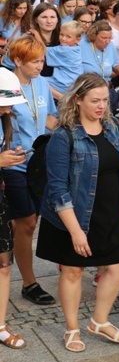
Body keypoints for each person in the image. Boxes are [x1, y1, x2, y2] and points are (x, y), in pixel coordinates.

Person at [36, 73, 119, 352]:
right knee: (73, 271)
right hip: (73, 217)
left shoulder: (112, 128)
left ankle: (99, 321)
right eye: (95, 101)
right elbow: (57, 189)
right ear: (77, 100)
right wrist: (76, 231)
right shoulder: (63, 136)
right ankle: (72, 329)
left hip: (109, 212)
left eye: (105, 100)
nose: (102, 106)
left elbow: (113, 167)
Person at [3, 35, 57, 306]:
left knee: (28, 222)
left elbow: (47, 117)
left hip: (39, 164)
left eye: (42, 60)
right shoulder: (6, 86)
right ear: (17, 60)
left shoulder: (43, 83)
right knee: (27, 223)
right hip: (13, 164)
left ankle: (10, 250)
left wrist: (68, 129)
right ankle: (29, 283)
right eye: (35, 61)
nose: (40, 65)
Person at [0, 68, 29, 350]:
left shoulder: (4, 119)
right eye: (4, 102)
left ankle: (0, 324)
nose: (7, 108)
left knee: (4, 264)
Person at [45, 20, 84, 100]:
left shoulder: (66, 50)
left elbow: (41, 49)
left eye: (68, 36)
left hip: (63, 84)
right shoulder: (77, 48)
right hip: (72, 83)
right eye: (61, 34)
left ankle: (63, 99)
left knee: (35, 80)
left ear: (77, 40)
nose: (63, 38)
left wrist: (35, 33)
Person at [27, 3, 61, 78]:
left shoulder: (64, 41)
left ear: (57, 19)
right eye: (44, 17)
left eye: (52, 17)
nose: (49, 21)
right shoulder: (28, 41)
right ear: (36, 20)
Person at [0, 0, 32, 70]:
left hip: (22, 65)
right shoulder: (3, 21)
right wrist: (4, 42)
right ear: (12, 8)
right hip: (5, 63)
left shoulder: (30, 22)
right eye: (19, 8)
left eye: (25, 8)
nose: (22, 11)